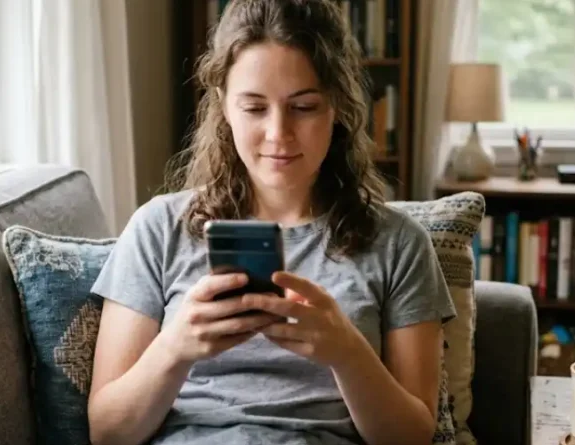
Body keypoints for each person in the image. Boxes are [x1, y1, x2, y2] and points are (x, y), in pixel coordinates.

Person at [86, 0, 456, 444]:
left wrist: (348, 354)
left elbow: (411, 437)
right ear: (223, 106)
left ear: (335, 106)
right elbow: (107, 433)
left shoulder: (398, 244)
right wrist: (174, 348)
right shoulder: (157, 229)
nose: (278, 133)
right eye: (255, 108)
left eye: (303, 107)